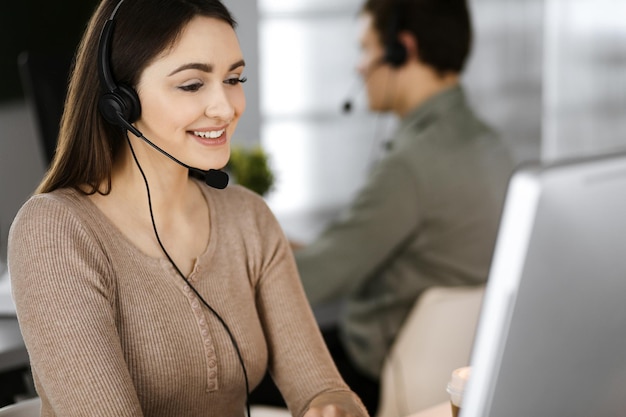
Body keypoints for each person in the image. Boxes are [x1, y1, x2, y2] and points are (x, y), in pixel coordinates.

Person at [7, 1, 369, 416]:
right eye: (192, 85)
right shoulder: (55, 231)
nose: (226, 107)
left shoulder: (248, 219)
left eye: (234, 78)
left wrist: (333, 407)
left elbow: (322, 390)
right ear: (120, 101)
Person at [252, 0, 516, 415]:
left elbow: (315, 281)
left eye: (365, 48)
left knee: (227, 374)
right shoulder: (490, 144)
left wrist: (227, 266)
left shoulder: (413, 164)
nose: (359, 66)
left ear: (401, 49)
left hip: (373, 370)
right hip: (451, 368)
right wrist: (287, 250)